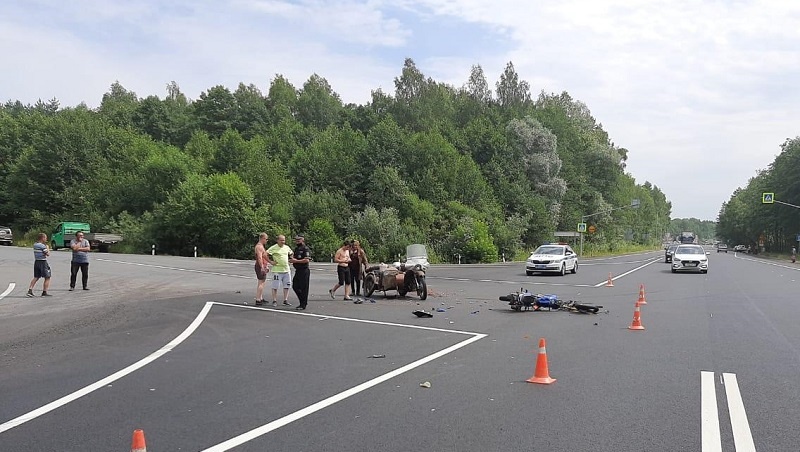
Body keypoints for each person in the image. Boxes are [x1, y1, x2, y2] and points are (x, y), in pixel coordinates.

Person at [267, 235, 293, 307]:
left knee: (287, 285)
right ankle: (274, 300)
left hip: (286, 270)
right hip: (277, 270)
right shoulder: (273, 248)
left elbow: (291, 253)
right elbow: (265, 254)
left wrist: (291, 259)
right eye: (281, 240)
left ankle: (285, 300)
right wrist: (271, 262)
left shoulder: (286, 247)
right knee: (275, 286)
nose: (283, 242)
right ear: (277, 240)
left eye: (284, 240)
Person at [27, 233, 52, 297]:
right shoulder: (42, 246)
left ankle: (30, 290)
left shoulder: (35, 245)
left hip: (37, 261)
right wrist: (48, 248)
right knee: (47, 276)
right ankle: (44, 292)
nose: (46, 239)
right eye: (45, 238)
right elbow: (48, 254)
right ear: (42, 238)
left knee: (36, 276)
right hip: (43, 262)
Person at [290, 235, 312, 310]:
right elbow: (295, 258)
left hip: (304, 270)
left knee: (304, 288)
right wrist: (292, 259)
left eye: (299, 240)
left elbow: (306, 260)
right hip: (298, 270)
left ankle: (303, 304)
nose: (297, 241)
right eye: (296, 240)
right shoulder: (296, 249)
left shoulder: (305, 249)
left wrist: (296, 261)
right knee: (295, 286)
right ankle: (302, 300)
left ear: (302, 240)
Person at [253, 233, 269, 306]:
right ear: (262, 238)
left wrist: (266, 265)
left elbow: (264, 257)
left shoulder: (261, 246)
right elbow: (259, 258)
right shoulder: (259, 247)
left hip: (263, 265)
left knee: (262, 282)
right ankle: (258, 299)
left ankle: (260, 297)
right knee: (261, 283)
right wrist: (262, 267)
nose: (267, 241)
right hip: (260, 266)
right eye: (266, 239)